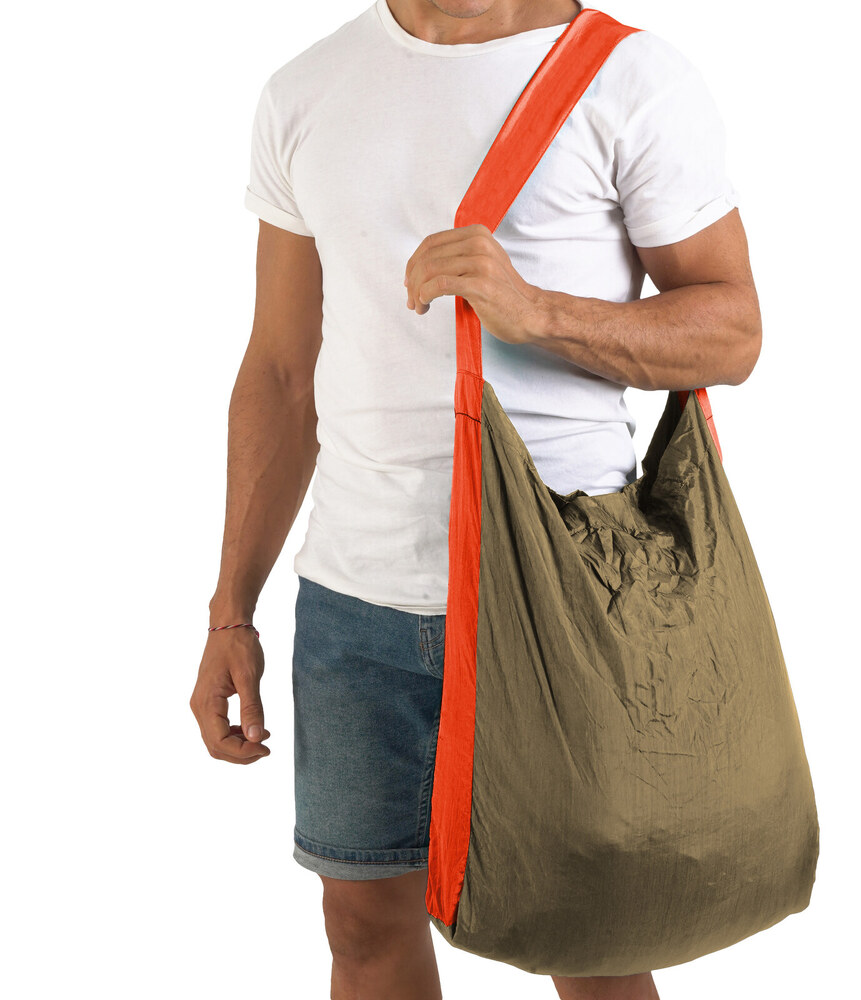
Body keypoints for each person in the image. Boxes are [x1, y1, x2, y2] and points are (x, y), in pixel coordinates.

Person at [189, 1, 761, 997]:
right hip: (354, 603)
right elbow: (280, 372)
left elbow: (733, 330)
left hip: (563, 598)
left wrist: (537, 311)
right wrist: (230, 608)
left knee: (590, 940)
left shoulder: (628, 79)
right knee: (362, 925)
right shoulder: (306, 91)